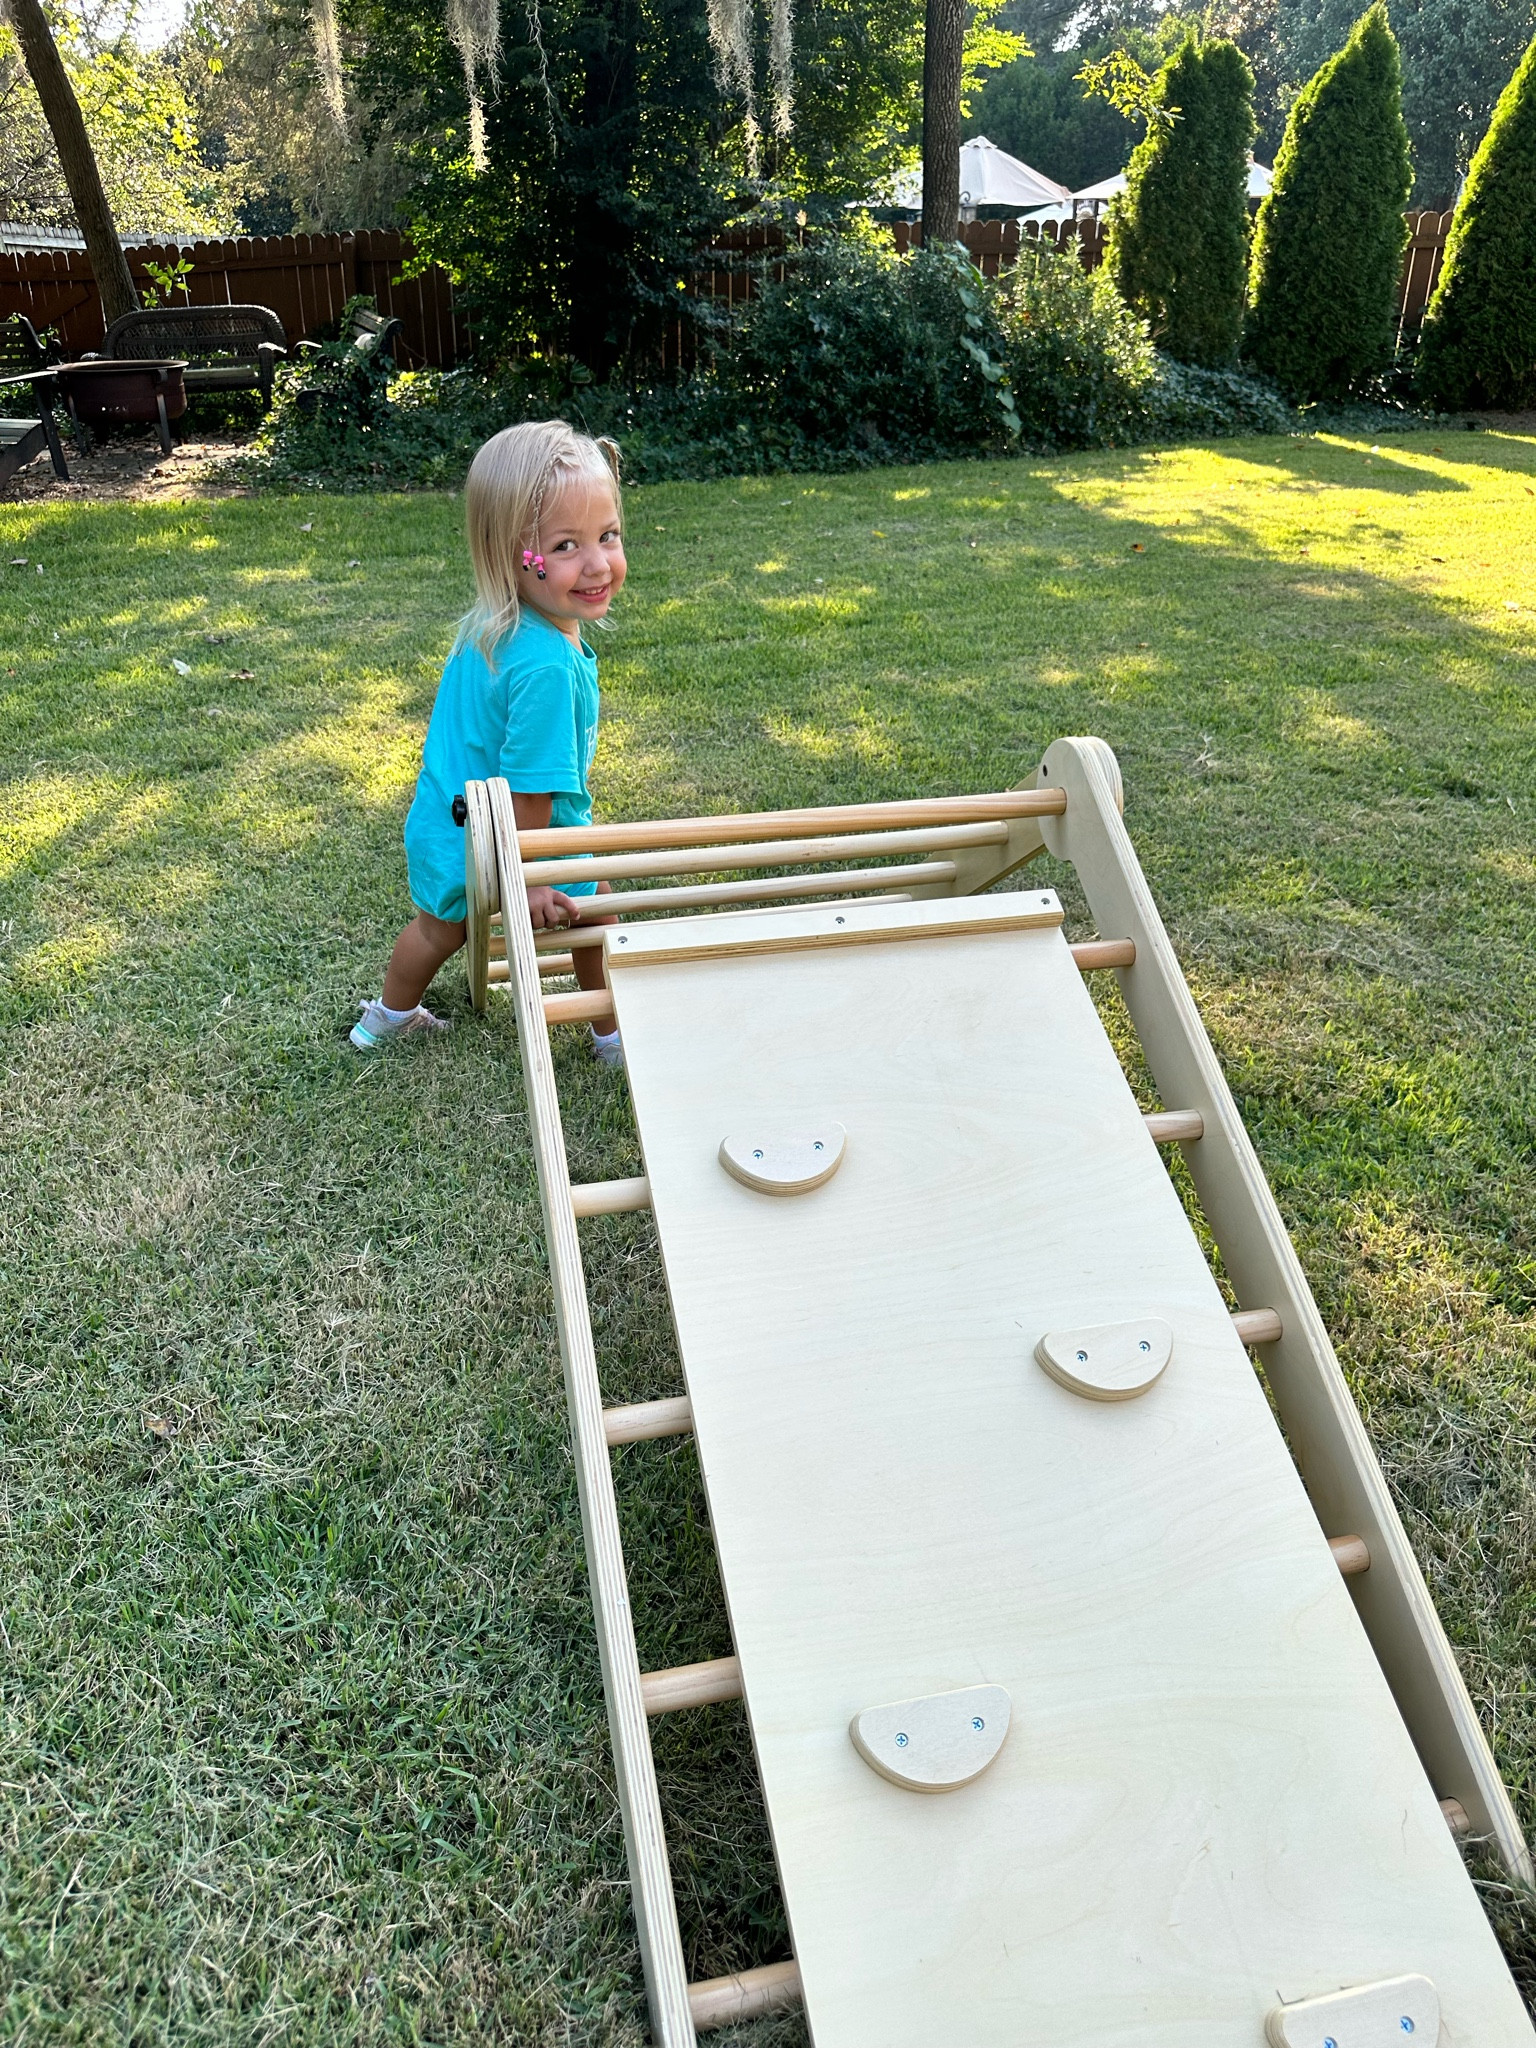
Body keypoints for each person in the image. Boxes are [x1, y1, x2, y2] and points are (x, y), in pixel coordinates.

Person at [351, 419, 625, 1063]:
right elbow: (526, 793)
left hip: (446, 825)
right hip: (508, 841)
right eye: (565, 546)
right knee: (601, 911)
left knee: (438, 928)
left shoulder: (495, 623)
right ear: (511, 556)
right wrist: (522, 879)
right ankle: (612, 1037)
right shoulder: (547, 669)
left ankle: (385, 1020)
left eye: (607, 535)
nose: (597, 564)